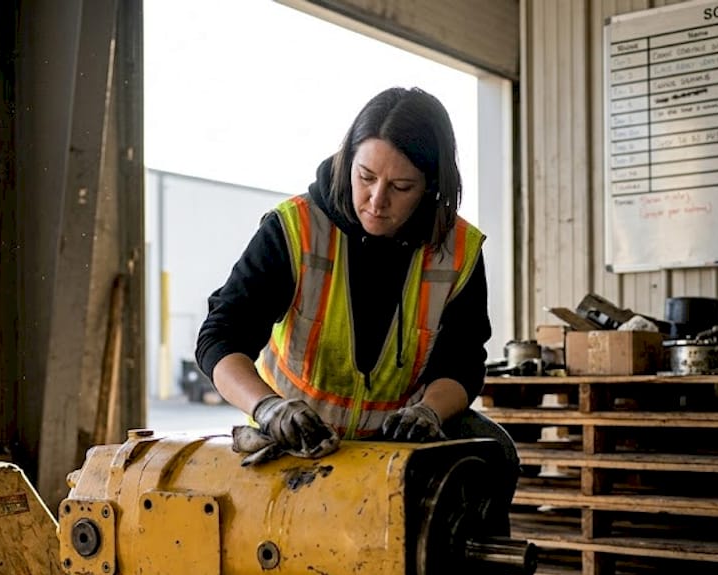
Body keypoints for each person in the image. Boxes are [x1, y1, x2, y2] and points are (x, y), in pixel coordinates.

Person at [195, 86, 519, 484]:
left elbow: (462, 362)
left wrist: (429, 412)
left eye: (401, 188)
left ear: (431, 187)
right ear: (348, 160)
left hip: (396, 449)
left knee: (494, 450)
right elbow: (220, 339)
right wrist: (268, 409)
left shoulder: (456, 250)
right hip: (296, 444)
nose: (376, 200)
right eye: (365, 176)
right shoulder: (295, 229)